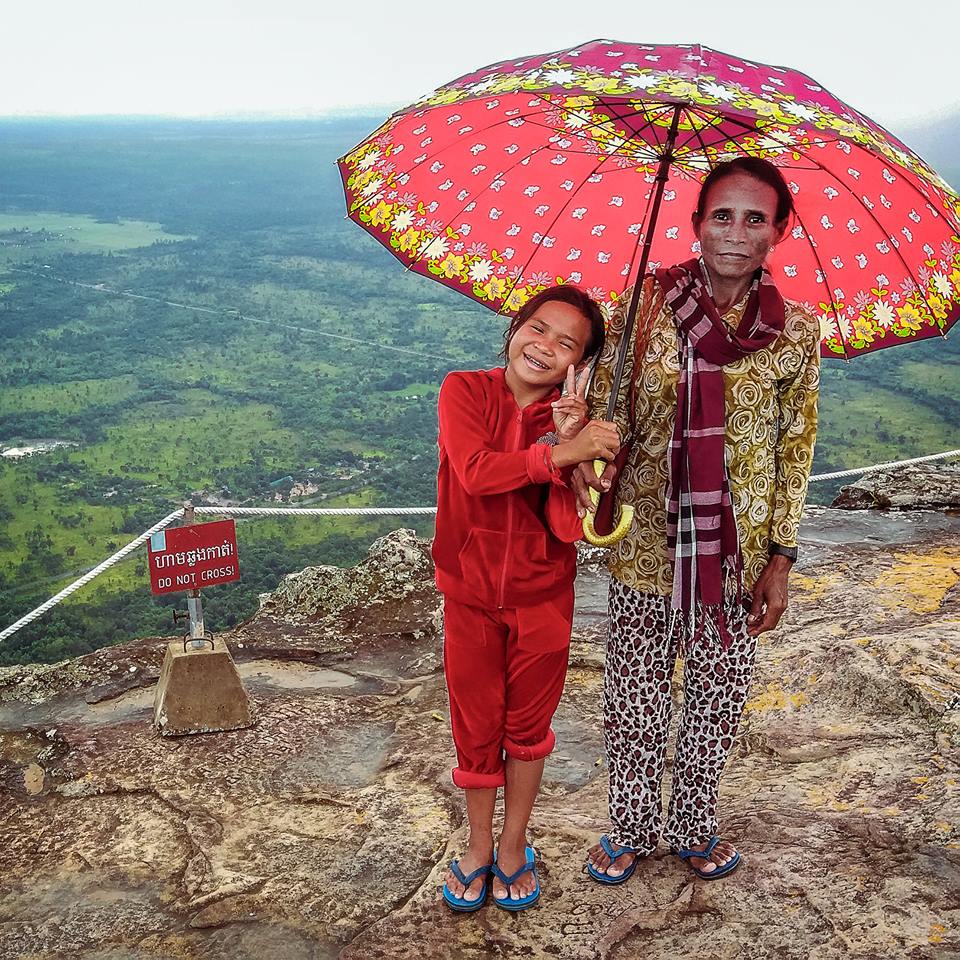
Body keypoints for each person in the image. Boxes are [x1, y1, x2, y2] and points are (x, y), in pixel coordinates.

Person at [576, 157, 821, 883]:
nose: (736, 233)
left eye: (755, 218)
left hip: (734, 553)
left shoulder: (794, 332)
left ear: (780, 232)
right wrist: (589, 430)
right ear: (694, 224)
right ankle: (629, 824)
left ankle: (692, 825)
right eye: (722, 215)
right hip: (647, 537)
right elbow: (607, 412)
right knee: (635, 692)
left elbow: (794, 445)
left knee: (718, 691)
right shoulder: (642, 307)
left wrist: (782, 556)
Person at [434, 285, 619, 912]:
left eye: (567, 343)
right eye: (537, 328)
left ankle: (513, 846)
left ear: (581, 365)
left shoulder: (575, 424)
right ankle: (478, 845)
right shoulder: (464, 389)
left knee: (528, 728)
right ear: (515, 328)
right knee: (476, 726)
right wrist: (560, 453)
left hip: (543, 597)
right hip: (469, 595)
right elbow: (476, 472)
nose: (544, 347)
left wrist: (584, 459)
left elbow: (578, 523)